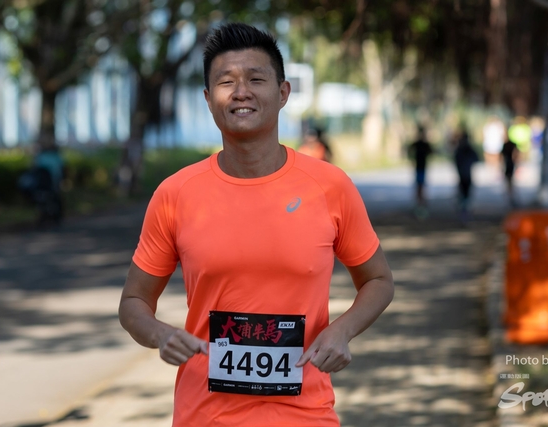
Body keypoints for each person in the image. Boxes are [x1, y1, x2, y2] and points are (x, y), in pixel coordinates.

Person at [118, 23, 394, 427]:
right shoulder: (176, 194)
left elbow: (379, 280)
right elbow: (133, 303)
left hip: (305, 415)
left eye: (255, 79)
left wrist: (342, 330)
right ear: (209, 99)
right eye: (226, 82)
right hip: (204, 416)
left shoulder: (329, 187)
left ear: (283, 93)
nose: (241, 92)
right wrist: (161, 334)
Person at [453, 130, 479, 221]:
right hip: (465, 176)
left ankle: (464, 213)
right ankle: (464, 213)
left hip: (464, 175)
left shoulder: (461, 150)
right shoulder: (465, 149)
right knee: (465, 196)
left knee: (464, 196)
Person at [406, 127, 433, 211]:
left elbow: (431, 152)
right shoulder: (419, 144)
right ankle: (420, 202)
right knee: (420, 185)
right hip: (419, 167)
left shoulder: (422, 144)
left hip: (421, 167)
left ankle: (420, 202)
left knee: (420, 185)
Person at [501, 135, 519, 207]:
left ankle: (510, 191)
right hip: (509, 163)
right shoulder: (508, 145)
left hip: (509, 163)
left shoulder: (508, 145)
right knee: (509, 178)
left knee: (509, 178)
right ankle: (510, 191)